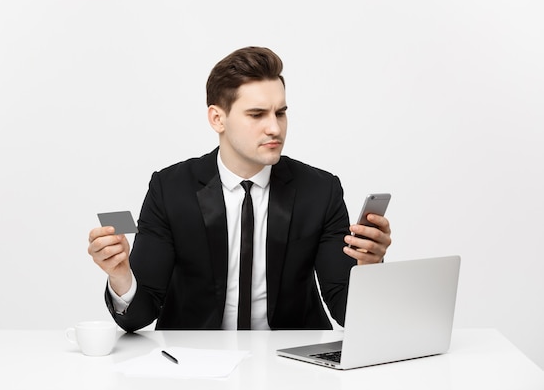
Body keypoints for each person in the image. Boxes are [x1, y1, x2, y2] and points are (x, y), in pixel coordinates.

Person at [87, 46, 392, 332]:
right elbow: (139, 315)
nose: (275, 128)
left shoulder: (320, 190)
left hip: (291, 364)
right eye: (257, 114)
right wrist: (120, 275)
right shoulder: (170, 188)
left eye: (281, 112)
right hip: (195, 363)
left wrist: (369, 268)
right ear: (217, 118)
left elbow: (345, 311)